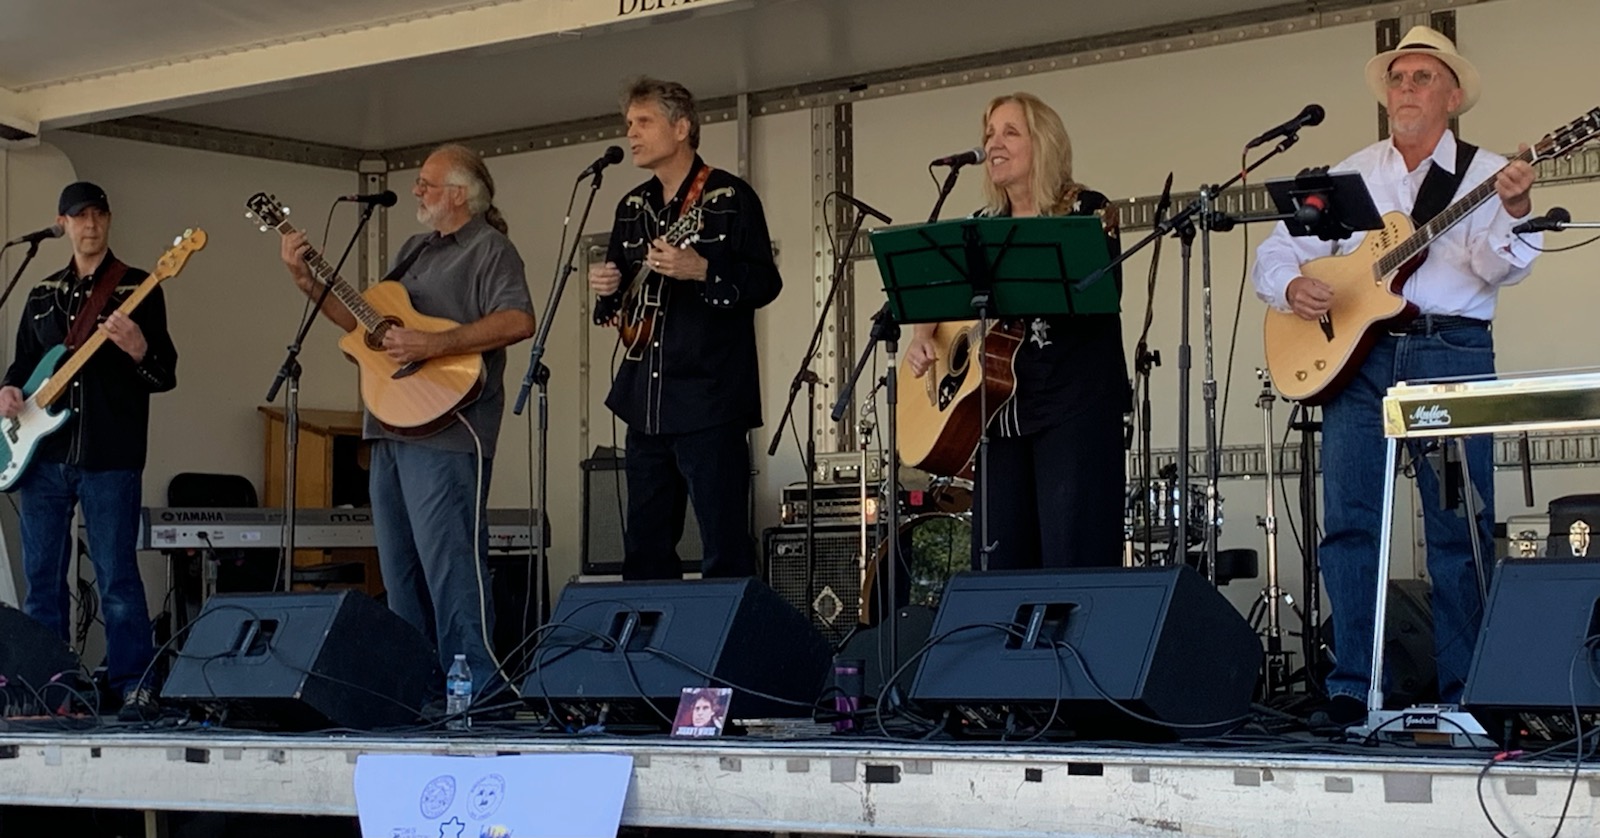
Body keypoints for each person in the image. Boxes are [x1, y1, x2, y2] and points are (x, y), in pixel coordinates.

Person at [1251, 26, 1538, 727]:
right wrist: (1293, 290)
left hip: (1451, 350)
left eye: (1421, 79)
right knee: (1350, 523)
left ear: (1453, 94)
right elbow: (1275, 248)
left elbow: (1501, 267)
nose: (1405, 90)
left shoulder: (1488, 172)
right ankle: (1353, 686)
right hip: (1364, 356)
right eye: (1398, 79)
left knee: (1458, 528)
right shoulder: (1352, 172)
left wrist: (1518, 209)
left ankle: (1468, 694)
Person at [279, 144, 536, 706]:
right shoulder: (413, 250)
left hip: (447, 432)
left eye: (426, 182)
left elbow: (518, 319)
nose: (416, 191)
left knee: (451, 572)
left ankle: (478, 697)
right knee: (400, 576)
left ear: (459, 194)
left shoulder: (490, 249)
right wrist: (306, 280)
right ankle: (415, 696)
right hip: (389, 429)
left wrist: (434, 342)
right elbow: (363, 327)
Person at [905, 92, 1130, 572]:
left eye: (1010, 132)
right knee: (1000, 564)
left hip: (1073, 410)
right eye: (989, 134)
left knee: (1073, 558)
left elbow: (1104, 293)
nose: (994, 144)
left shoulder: (1086, 210)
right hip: (998, 416)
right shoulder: (983, 225)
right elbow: (936, 293)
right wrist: (924, 335)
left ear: (1042, 143)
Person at [588, 77, 782, 581]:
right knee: (644, 550)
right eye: (629, 123)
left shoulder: (730, 196)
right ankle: (651, 650)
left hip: (710, 398)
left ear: (682, 127)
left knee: (724, 547)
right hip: (644, 402)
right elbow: (620, 305)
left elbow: (765, 282)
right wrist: (607, 287)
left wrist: (702, 271)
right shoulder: (631, 207)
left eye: (643, 121)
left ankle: (727, 655)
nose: (631, 133)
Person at [0, 182, 177, 721]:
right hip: (42, 458)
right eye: (80, 217)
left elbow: (164, 371)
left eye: (99, 215)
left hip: (109, 455)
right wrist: (8, 391)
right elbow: (23, 368)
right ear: (63, 224)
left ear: (108, 221)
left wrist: (138, 348)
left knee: (117, 577)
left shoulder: (139, 288)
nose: (91, 225)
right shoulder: (38, 294)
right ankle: (47, 687)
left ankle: (131, 686)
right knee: (42, 582)